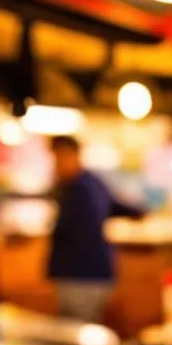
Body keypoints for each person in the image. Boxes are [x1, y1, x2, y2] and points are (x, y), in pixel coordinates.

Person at [47, 135, 142, 323]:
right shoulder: (91, 182)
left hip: (81, 277)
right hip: (93, 275)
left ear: (71, 155)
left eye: (58, 158)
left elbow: (74, 233)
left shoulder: (79, 189)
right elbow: (120, 207)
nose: (55, 165)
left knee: (78, 332)